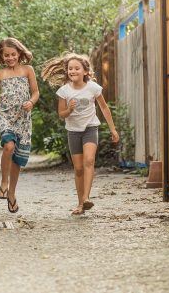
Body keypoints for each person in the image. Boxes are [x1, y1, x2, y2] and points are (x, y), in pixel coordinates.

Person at [41, 52, 119, 215]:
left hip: (90, 128)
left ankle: (86, 198)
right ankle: (80, 204)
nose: (73, 71)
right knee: (78, 169)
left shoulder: (93, 88)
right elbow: (61, 113)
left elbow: (104, 108)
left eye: (77, 68)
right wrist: (69, 109)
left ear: (85, 71)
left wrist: (112, 129)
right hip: (73, 131)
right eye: (70, 69)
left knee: (89, 161)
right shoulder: (64, 91)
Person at [0, 37, 39, 214]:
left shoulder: (28, 70)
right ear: (1, 57)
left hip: (23, 119)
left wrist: (32, 102)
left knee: (17, 159)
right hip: (5, 116)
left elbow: (35, 92)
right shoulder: (0, 74)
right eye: (6, 55)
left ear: (19, 53)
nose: (10, 58)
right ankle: (4, 182)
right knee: (9, 146)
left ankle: (11, 194)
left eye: (13, 54)